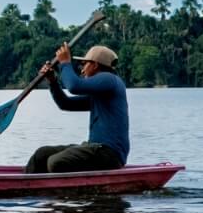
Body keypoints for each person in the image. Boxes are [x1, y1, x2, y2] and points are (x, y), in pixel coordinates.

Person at [24, 43, 129, 174]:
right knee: (42, 154)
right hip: (95, 149)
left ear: (95, 65)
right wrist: (53, 82)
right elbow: (66, 104)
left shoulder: (109, 80)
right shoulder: (100, 93)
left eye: (84, 64)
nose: (82, 70)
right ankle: (27, 186)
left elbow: (74, 86)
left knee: (56, 162)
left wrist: (65, 63)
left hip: (108, 154)